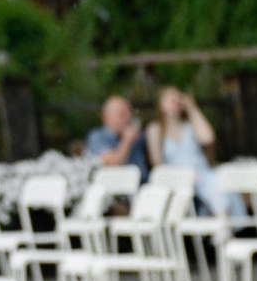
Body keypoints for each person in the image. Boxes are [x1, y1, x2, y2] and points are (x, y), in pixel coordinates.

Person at [146, 86, 240, 221]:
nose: (175, 102)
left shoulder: (190, 124)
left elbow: (208, 139)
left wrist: (192, 108)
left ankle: (223, 227)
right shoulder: (155, 129)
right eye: (170, 99)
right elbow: (157, 162)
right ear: (160, 104)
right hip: (176, 177)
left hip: (200, 173)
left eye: (177, 98)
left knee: (215, 183)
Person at [85, 94, 148, 177]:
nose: (127, 117)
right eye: (122, 114)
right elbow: (111, 164)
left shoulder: (139, 136)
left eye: (129, 112)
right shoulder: (97, 137)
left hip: (144, 184)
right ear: (107, 116)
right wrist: (127, 141)